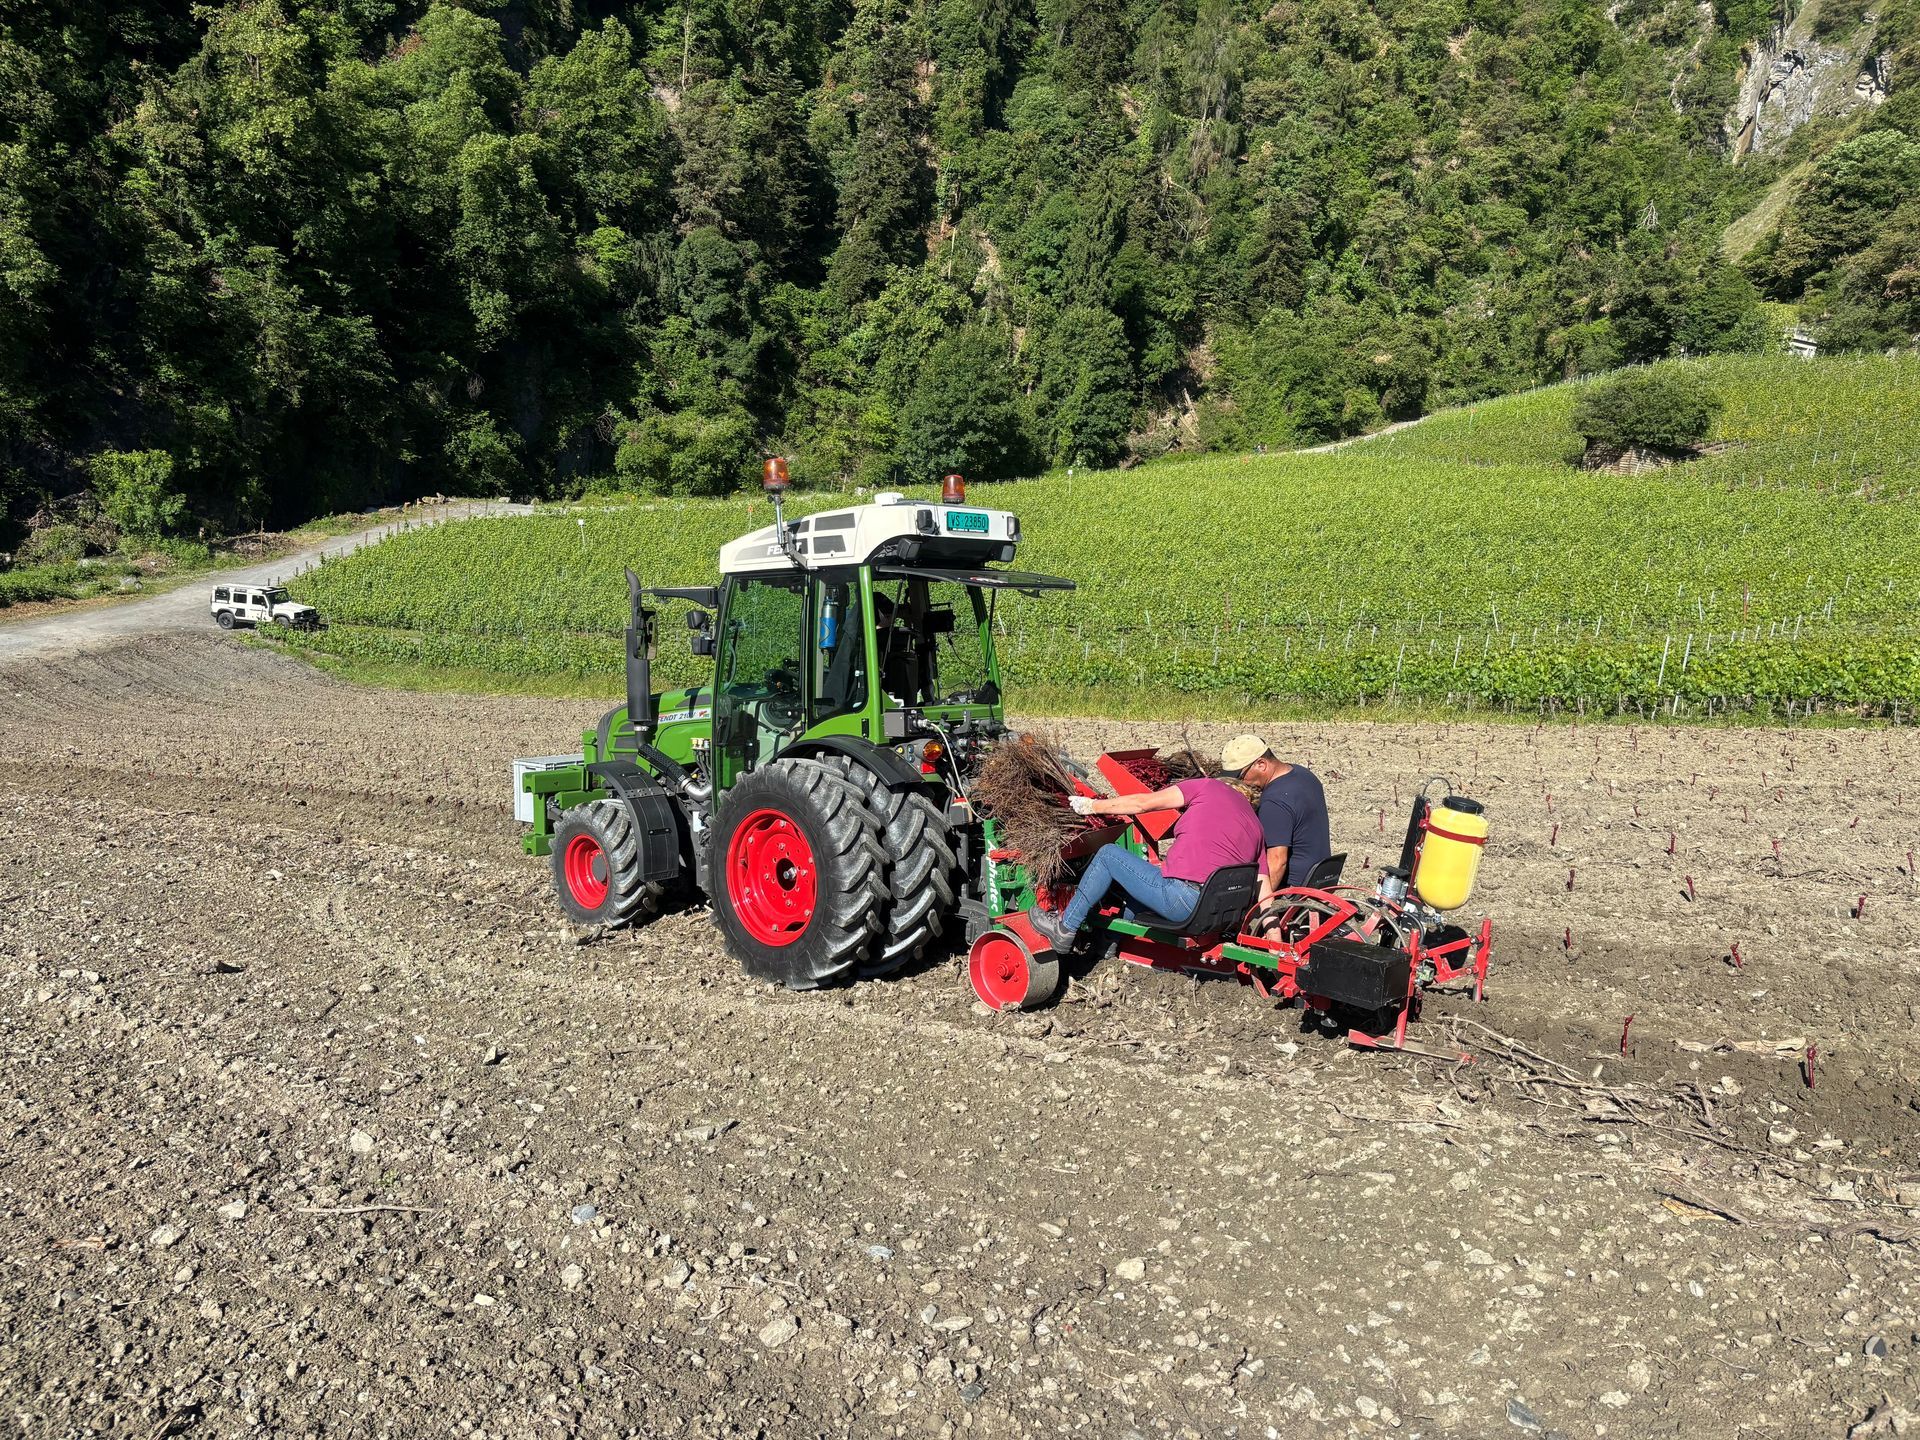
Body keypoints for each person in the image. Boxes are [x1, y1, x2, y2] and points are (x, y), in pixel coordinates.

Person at [1026, 772, 1263, 953]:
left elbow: (1142, 804)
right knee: (1144, 880)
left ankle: (1064, 928)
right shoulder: (1256, 826)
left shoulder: (1209, 786)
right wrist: (1273, 942)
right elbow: (1265, 886)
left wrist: (1092, 806)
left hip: (1183, 902)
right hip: (1217, 914)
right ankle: (1110, 942)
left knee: (1109, 855)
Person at [1219, 733, 1333, 904]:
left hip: (1294, 890)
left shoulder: (1274, 801)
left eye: (1240, 777)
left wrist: (1259, 907)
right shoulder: (1304, 774)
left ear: (1261, 764)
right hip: (1321, 878)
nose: (1240, 783)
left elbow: (1278, 861)